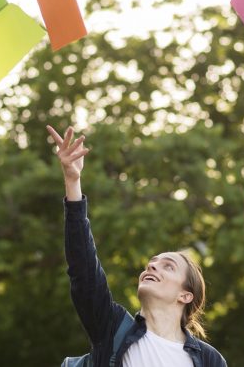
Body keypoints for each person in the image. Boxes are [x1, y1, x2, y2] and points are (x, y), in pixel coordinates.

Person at [48, 125, 227, 367]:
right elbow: (83, 269)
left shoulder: (209, 360)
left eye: (168, 266)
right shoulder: (112, 329)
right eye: (151, 263)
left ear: (185, 295)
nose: (152, 267)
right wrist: (72, 181)